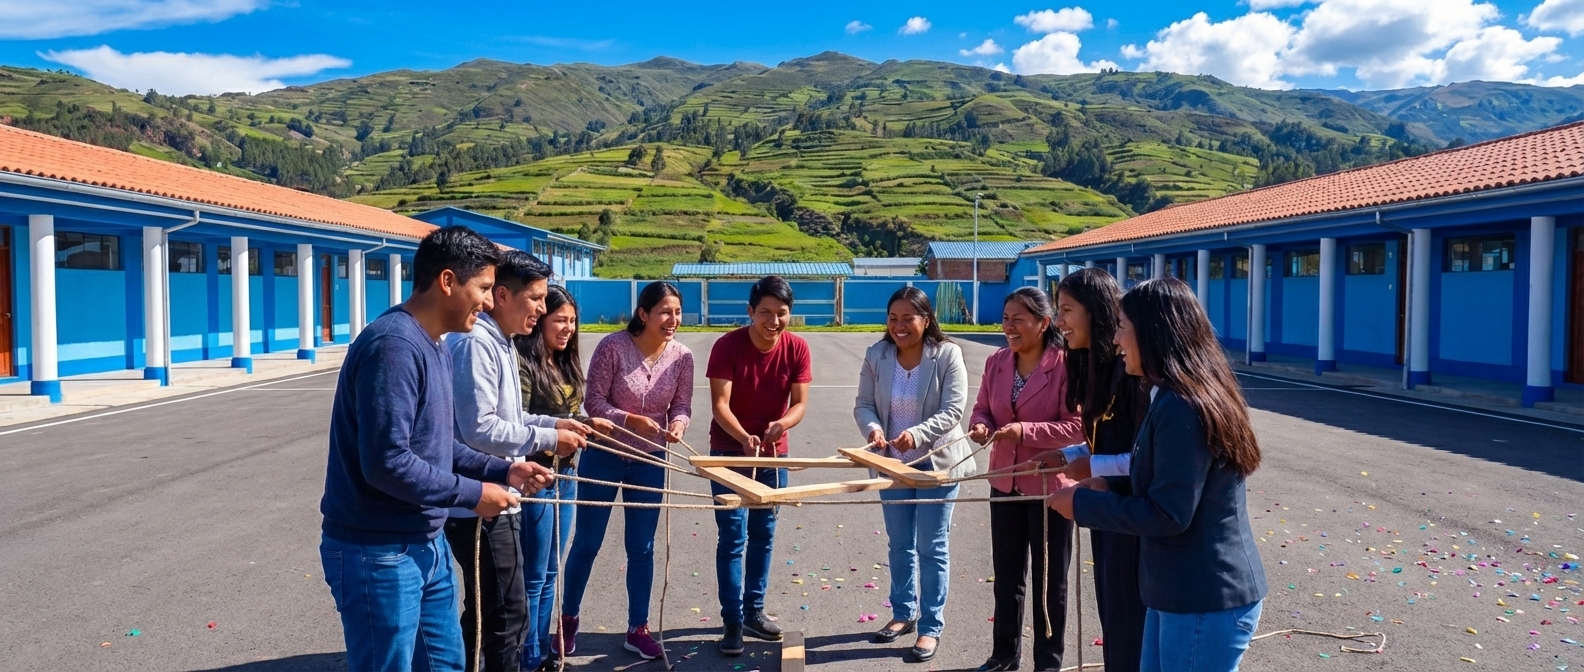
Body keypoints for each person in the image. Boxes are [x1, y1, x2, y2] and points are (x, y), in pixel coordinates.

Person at [319, 226, 554, 672]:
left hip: (426, 542)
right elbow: (388, 463)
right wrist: (474, 494)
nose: (488, 302)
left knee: (447, 663)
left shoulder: (436, 344)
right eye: (483, 288)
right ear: (448, 281)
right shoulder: (394, 346)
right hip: (379, 552)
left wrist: (503, 471)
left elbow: (438, 444)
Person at [1047, 277, 1268, 672]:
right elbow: (1157, 475)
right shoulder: (1165, 395)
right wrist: (1107, 484)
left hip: (1201, 596)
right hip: (1173, 591)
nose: (1115, 340)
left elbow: (1169, 513)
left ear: (1153, 333)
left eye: (1121, 328)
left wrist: (1083, 505)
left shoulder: (1184, 407)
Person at [444, 250, 589, 672]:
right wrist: (549, 437)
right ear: (503, 296)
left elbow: (512, 417)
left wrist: (559, 423)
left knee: (495, 609)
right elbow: (479, 428)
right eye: (536, 299)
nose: (542, 309)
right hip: (479, 502)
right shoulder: (476, 343)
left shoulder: (502, 342)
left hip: (500, 496)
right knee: (506, 614)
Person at [558, 281, 693, 662]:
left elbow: (681, 405)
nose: (673, 319)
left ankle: (638, 628)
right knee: (587, 542)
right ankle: (568, 619)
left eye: (677, 312)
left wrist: (679, 424)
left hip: (649, 461)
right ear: (643, 314)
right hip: (603, 455)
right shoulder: (613, 347)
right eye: (664, 312)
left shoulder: (682, 356)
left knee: (642, 547)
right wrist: (629, 420)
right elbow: (594, 402)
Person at [1026, 269, 1150, 672]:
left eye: (1066, 310)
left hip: (1133, 516)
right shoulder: (1094, 367)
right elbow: (1104, 440)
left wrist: (1090, 465)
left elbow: (1146, 458)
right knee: (1112, 616)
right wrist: (1067, 456)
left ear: (1096, 311)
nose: (1059, 321)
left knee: (1130, 621)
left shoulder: (1133, 373)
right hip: (1106, 512)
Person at [852, 287, 974, 663]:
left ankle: (930, 627)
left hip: (937, 466)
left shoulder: (947, 354)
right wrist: (873, 430)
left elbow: (953, 410)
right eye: (893, 318)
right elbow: (864, 404)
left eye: (908, 318)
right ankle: (904, 613)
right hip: (893, 465)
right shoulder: (877, 354)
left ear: (926, 319)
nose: (899, 326)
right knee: (899, 544)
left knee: (932, 547)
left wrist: (917, 434)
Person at [967, 287, 1085, 672]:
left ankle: (1047, 663)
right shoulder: (997, 362)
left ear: (1044, 323)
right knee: (1007, 579)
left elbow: (1076, 427)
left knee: (1050, 583)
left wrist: (1024, 432)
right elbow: (982, 408)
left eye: (1018, 319)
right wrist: (981, 425)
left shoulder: (1065, 365)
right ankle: (1004, 657)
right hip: (1004, 482)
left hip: (1051, 489)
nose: (1009, 327)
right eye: (1005, 319)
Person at [706, 276, 812, 656]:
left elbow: (799, 404)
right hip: (728, 453)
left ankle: (754, 610)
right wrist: (741, 437)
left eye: (781, 313)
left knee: (764, 534)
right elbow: (720, 405)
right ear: (750, 312)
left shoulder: (797, 348)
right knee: (733, 537)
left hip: (773, 455)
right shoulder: (727, 346)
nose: (773, 321)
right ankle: (732, 621)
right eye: (765, 312)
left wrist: (782, 423)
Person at [514, 285, 614, 671]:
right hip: (537, 479)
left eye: (572, 321)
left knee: (552, 570)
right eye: (560, 320)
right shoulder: (523, 364)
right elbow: (516, 423)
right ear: (540, 322)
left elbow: (568, 416)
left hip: (567, 475)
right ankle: (527, 656)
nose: (568, 328)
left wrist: (589, 424)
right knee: (534, 575)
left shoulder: (565, 362)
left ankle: (542, 649)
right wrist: (560, 435)